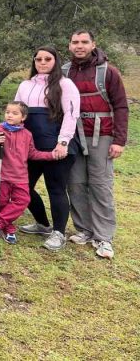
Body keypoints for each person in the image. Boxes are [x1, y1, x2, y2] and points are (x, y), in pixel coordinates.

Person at [64, 30, 129, 259]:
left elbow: (121, 106)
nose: (79, 46)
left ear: (93, 44)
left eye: (84, 42)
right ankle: (84, 229)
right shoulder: (65, 71)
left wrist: (119, 140)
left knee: (101, 186)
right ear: (69, 45)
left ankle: (103, 237)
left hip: (102, 135)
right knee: (76, 183)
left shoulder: (108, 72)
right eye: (75, 42)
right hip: (73, 135)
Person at [14, 46, 80, 252]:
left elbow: (71, 115)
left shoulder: (65, 84)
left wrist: (63, 142)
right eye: (38, 59)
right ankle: (43, 225)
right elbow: (16, 113)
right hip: (31, 148)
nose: (42, 62)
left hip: (56, 148)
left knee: (56, 189)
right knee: (22, 187)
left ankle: (59, 233)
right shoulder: (25, 85)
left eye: (47, 59)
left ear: (55, 61)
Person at [0, 101, 55, 244]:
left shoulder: (27, 134)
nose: (10, 115)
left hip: (20, 175)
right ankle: (9, 229)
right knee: (1, 202)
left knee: (23, 200)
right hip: (0, 174)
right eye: (8, 112)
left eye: (15, 113)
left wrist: (51, 155)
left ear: (23, 117)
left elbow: (32, 154)